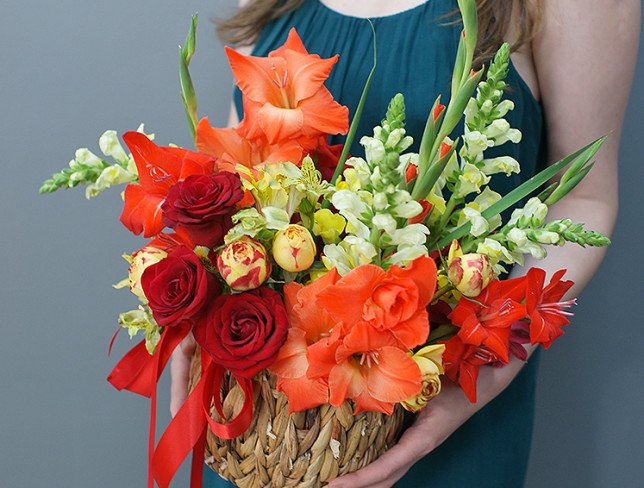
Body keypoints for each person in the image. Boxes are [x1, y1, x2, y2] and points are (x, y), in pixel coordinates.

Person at [170, 1, 640, 486]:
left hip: (449, 408)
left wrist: (480, 367)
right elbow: (238, 172)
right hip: (267, 425)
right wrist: (196, 317)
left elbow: (584, 196)